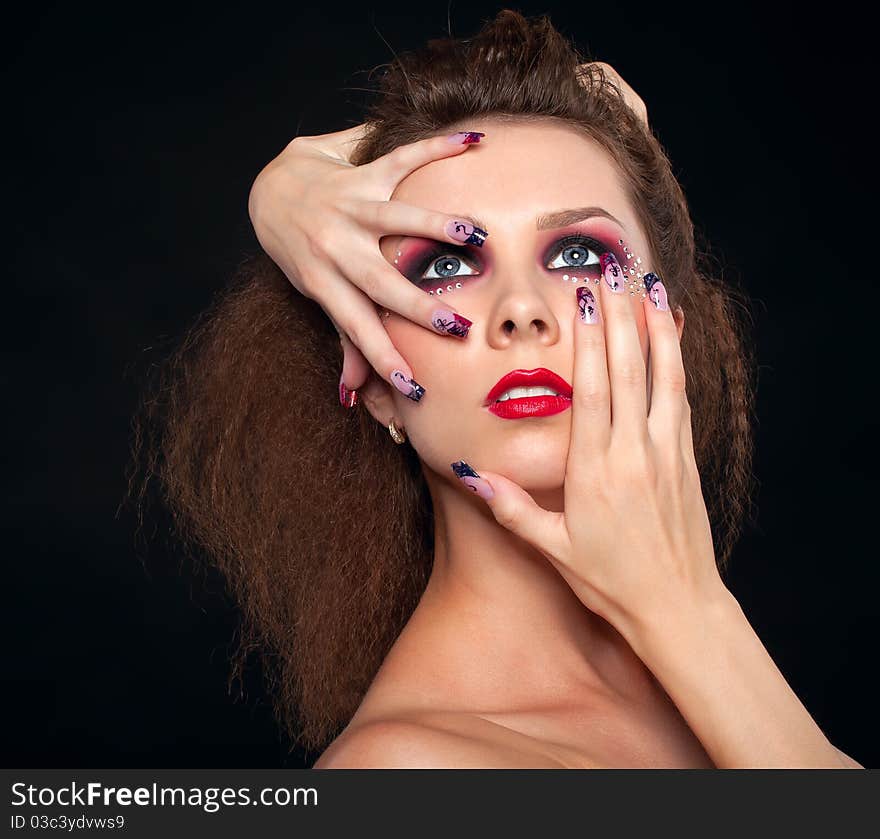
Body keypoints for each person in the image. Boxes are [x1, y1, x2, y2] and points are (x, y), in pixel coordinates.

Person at [131, 9, 863, 768]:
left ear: (665, 330)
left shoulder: (704, 683)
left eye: (579, 253)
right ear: (377, 385)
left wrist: (690, 615)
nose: (522, 310)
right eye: (445, 264)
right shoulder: (404, 773)